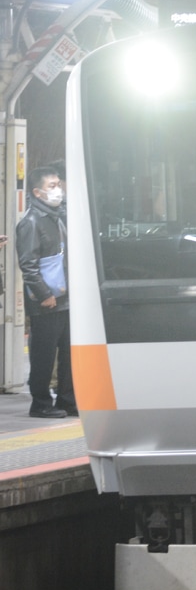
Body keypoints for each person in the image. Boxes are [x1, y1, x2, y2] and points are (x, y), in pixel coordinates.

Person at [17, 166, 75, 418]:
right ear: (37, 192)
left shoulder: (58, 217)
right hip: (47, 300)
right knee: (43, 354)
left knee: (68, 352)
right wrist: (44, 295)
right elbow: (28, 265)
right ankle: (40, 403)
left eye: (58, 184)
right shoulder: (31, 222)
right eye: (52, 186)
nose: (58, 190)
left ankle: (66, 399)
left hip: (65, 297)